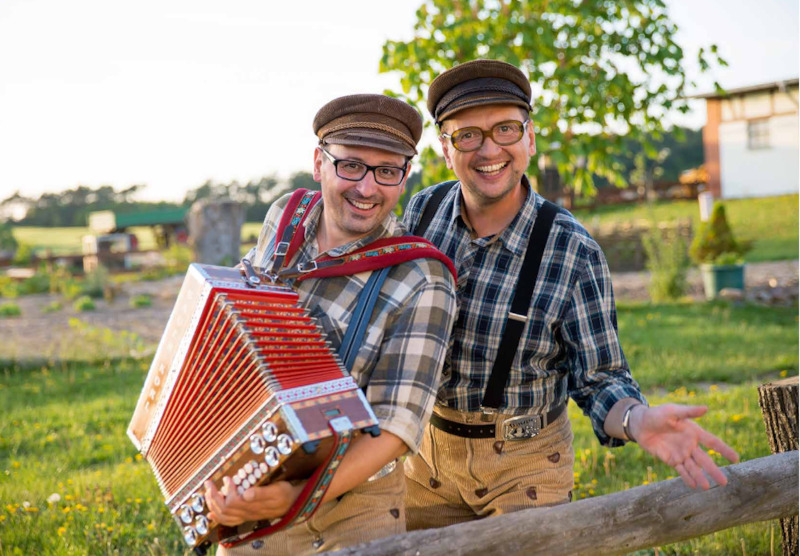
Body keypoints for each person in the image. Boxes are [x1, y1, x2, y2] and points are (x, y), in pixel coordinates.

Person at [402, 59, 739, 530]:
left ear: (530, 139)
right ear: (445, 148)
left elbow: (599, 376)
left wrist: (638, 421)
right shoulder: (423, 212)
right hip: (424, 461)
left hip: (524, 468)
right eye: (467, 135)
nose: (488, 149)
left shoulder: (572, 249)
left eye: (505, 129)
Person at [204, 94, 457, 554]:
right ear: (319, 163)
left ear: (404, 178)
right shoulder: (285, 216)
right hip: (254, 481)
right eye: (351, 166)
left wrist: (295, 497)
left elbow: (397, 427)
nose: (367, 188)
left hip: (350, 512)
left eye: (387, 171)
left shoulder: (423, 276)